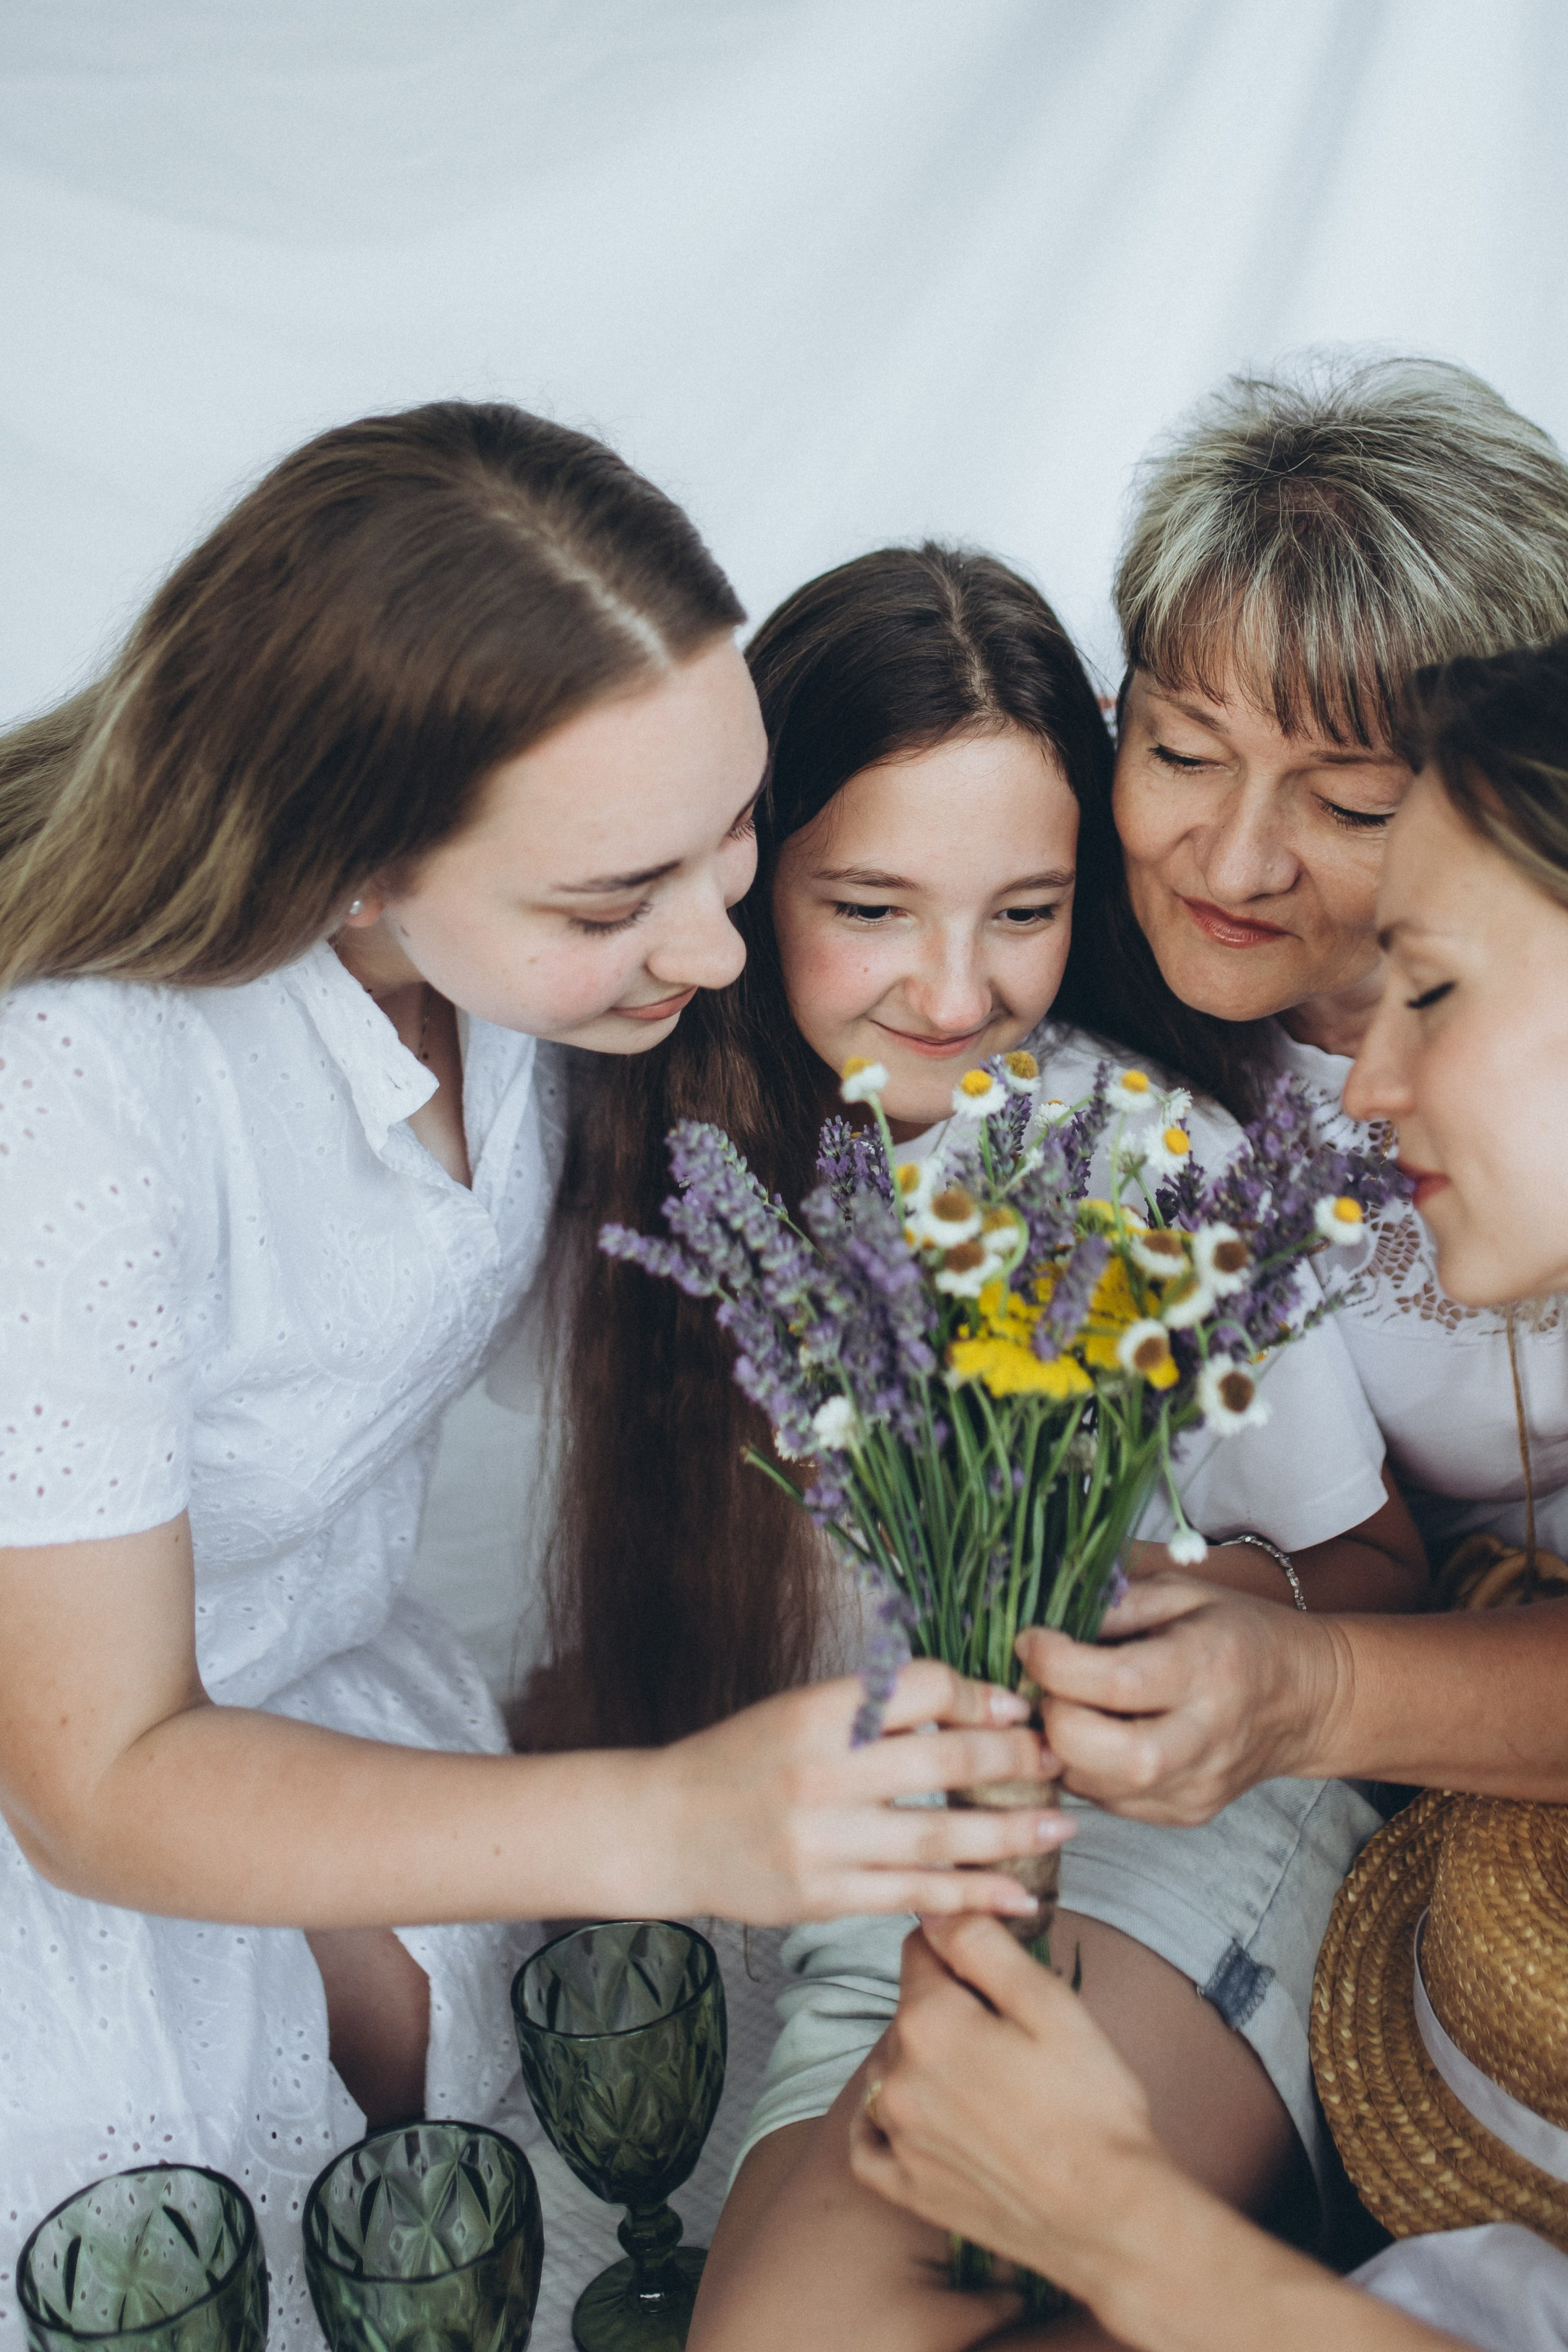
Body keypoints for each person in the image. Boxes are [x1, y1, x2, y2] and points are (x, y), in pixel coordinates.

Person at [695, 363, 1568, 2352]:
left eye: (1357, 806)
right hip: (1216, 1763)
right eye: (1181, 748)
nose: (1238, 855)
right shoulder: (1051, 1007)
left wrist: (1311, 1656)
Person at [0, 406, 1060, 2347]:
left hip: (335, 1744)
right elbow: (89, 1781)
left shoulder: (520, 980)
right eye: (611, 902)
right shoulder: (77, 1088)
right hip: (77, 1853)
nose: (718, 934)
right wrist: (667, 1818)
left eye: (735, 823)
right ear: (354, 862)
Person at [542, 542, 1425, 2351]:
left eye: (1021, 912)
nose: (956, 994)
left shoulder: (1147, 1158)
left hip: (1155, 1842)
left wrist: (1185, 1609)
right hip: (874, 1887)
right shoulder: (657, 1149)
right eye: (871, 908)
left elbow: (1375, 1564)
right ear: (738, 873)